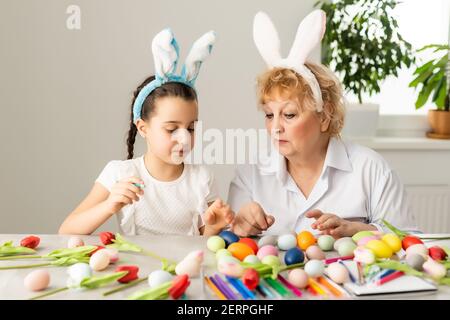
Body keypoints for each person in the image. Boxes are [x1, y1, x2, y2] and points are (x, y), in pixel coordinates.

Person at [228, 10, 418, 237]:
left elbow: (410, 242)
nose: (275, 127)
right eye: (269, 115)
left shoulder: (371, 170)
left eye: (289, 115)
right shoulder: (250, 174)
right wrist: (238, 228)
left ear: (325, 116)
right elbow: (228, 245)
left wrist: (357, 230)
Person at [59, 28, 233, 236]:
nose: (184, 138)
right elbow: (66, 230)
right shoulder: (119, 174)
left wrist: (213, 226)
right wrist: (109, 206)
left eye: (191, 128)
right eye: (171, 129)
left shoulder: (202, 179)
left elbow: (204, 243)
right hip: (138, 268)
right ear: (143, 128)